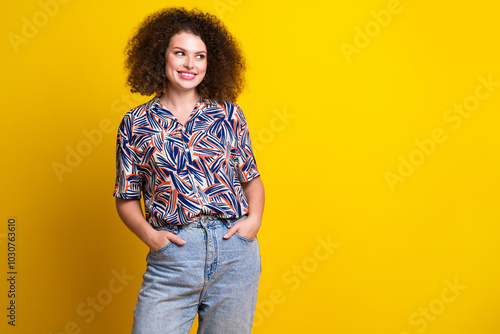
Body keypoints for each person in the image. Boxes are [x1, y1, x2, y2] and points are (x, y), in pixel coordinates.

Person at [113, 7, 264, 334]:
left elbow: (251, 178)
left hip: (235, 255)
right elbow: (125, 197)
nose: (189, 64)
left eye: (199, 56)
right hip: (174, 257)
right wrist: (152, 238)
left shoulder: (228, 113)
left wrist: (252, 223)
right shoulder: (136, 123)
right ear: (161, 56)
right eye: (180, 53)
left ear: (211, 63)